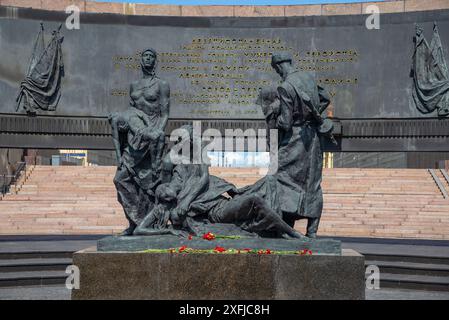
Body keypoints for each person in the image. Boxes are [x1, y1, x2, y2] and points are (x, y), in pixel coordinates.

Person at [266, 52, 332, 238]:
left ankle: (287, 227)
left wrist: (273, 115)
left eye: (276, 69)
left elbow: (285, 123)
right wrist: (314, 115)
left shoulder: (286, 87)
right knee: (312, 182)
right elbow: (325, 97)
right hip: (314, 139)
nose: (278, 72)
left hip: (295, 140)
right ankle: (312, 231)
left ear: (278, 66)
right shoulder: (308, 77)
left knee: (282, 179)